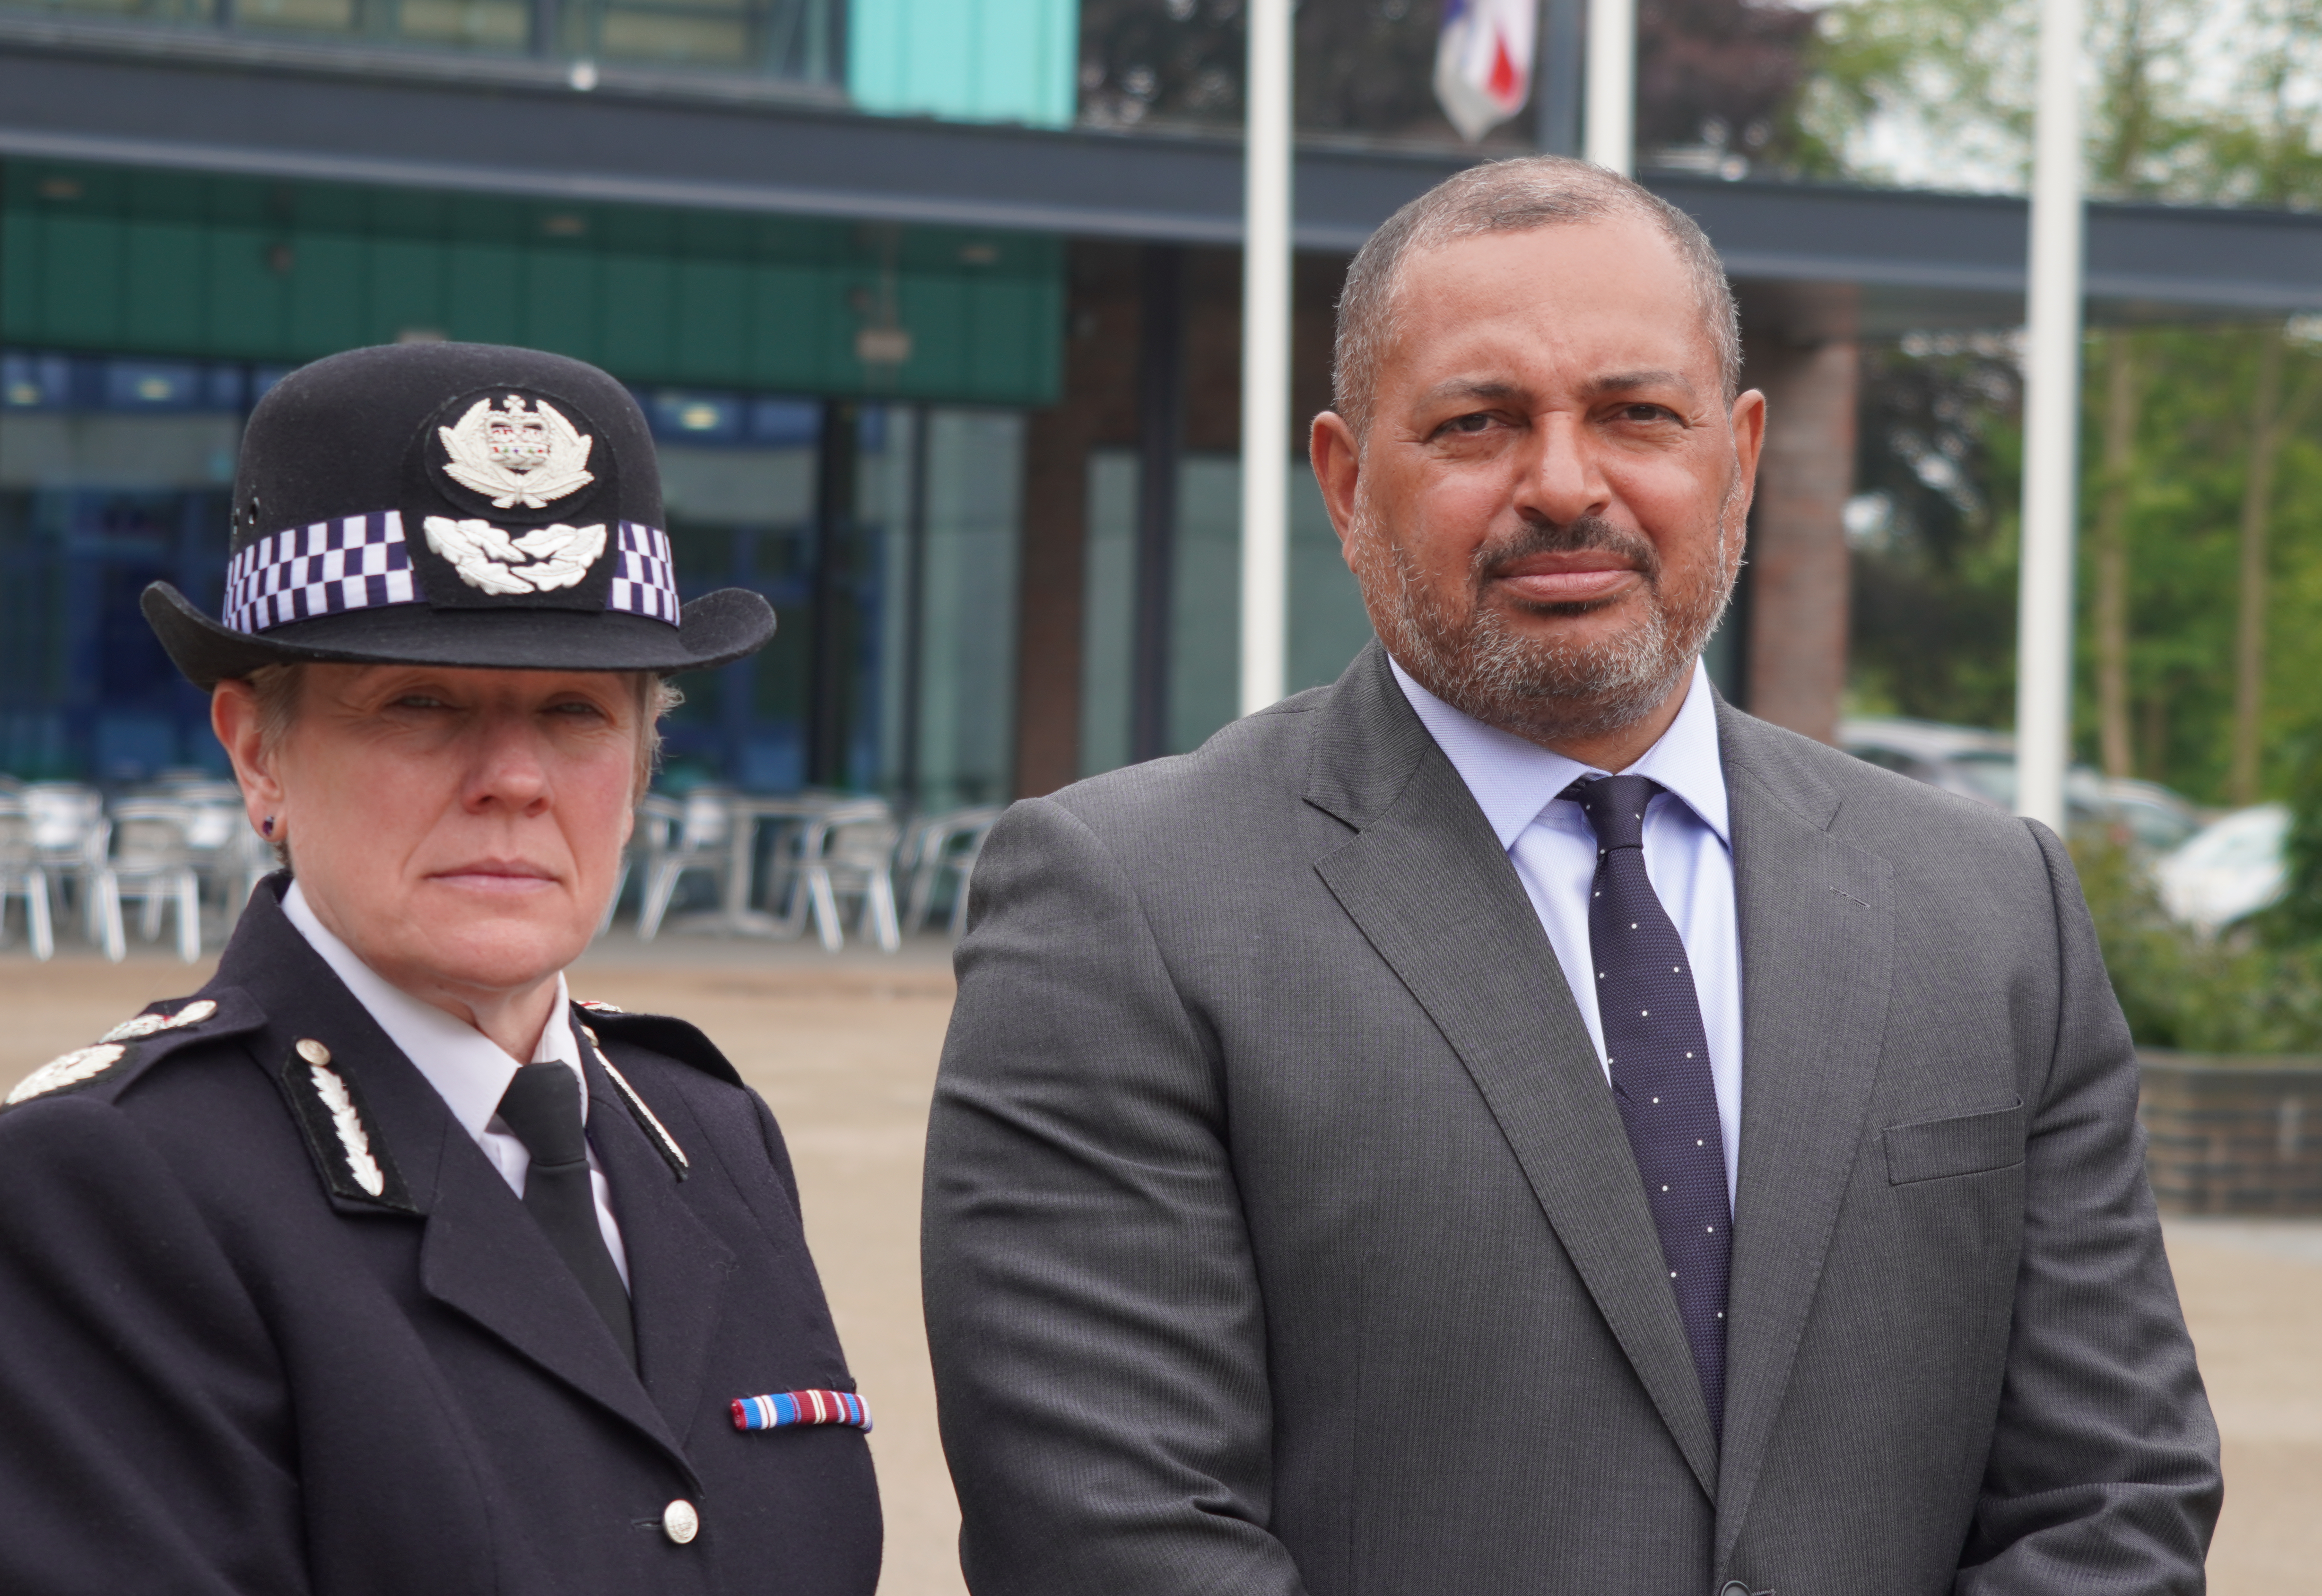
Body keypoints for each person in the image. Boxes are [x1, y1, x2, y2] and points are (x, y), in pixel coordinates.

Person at [922, 156, 2220, 1596]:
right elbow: (1110, 1536)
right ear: (1348, 483)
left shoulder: (1994, 913)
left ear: (1737, 457)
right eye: (1477, 424)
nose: (1562, 482)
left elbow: (2117, 1497)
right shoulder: (1130, 909)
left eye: (1635, 415)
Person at [0, 342, 882, 1596]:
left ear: (641, 764)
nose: (513, 779)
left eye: (576, 712)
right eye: (421, 703)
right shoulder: (109, 1188)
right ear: (259, 753)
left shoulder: (709, 1135)